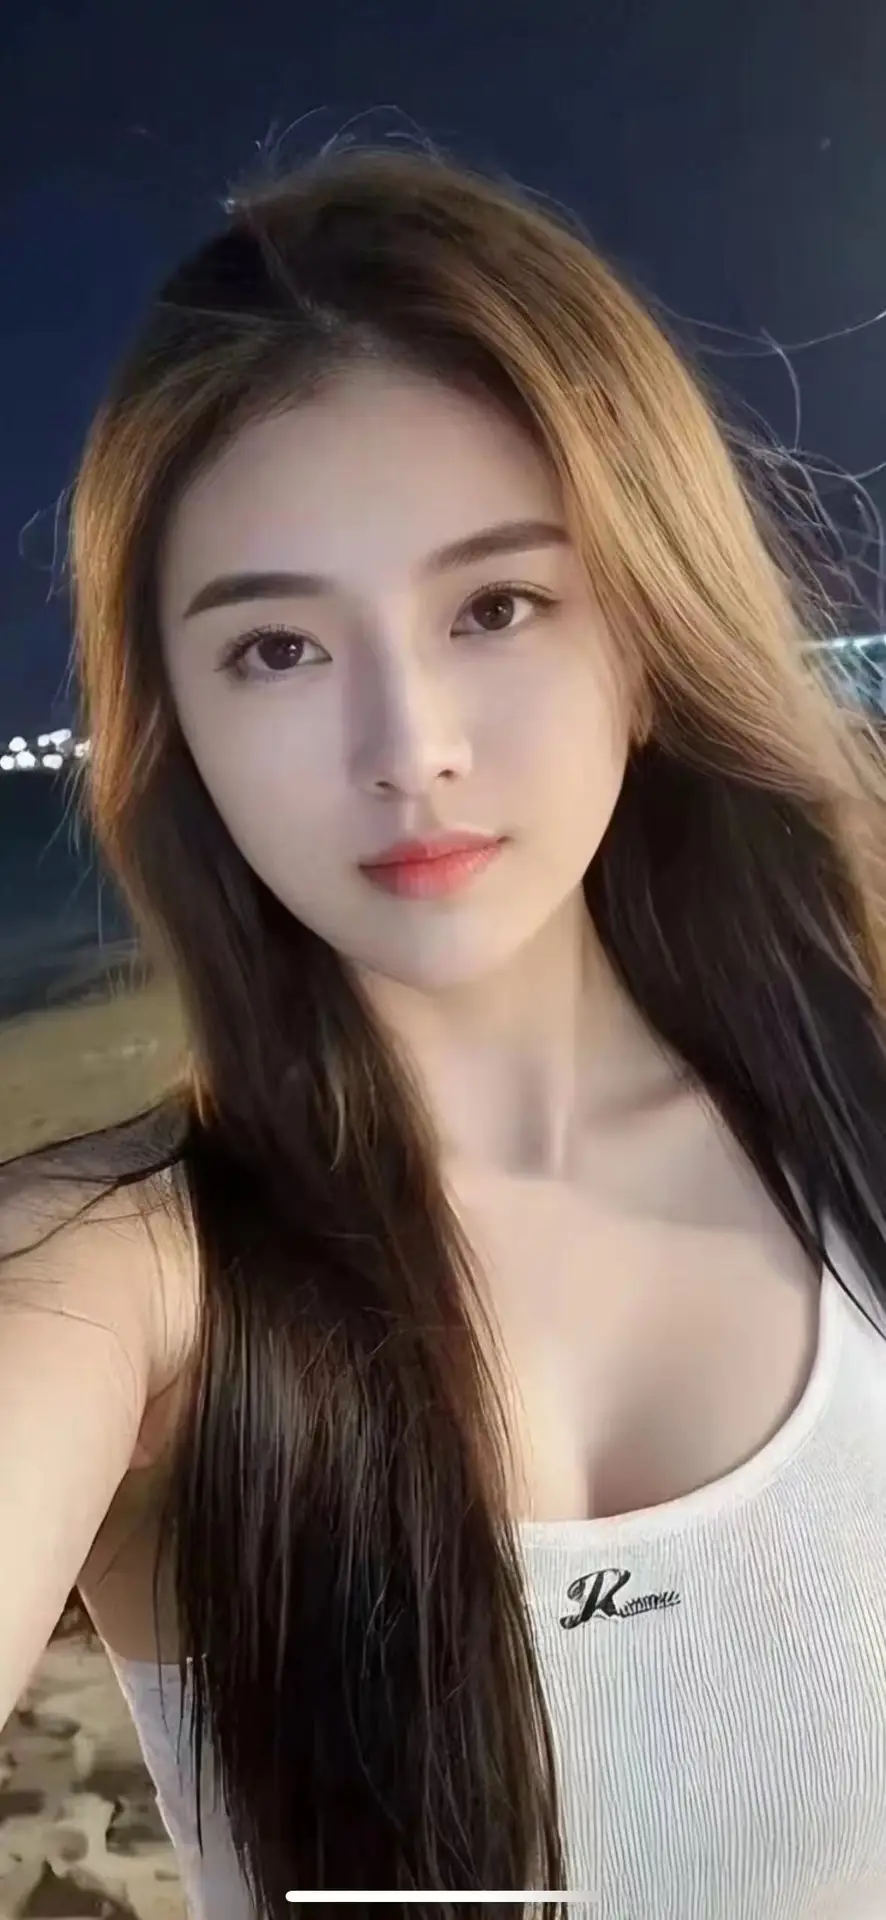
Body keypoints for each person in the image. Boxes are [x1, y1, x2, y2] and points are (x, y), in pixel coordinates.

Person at [2, 145, 886, 1920]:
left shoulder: (852, 1107)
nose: (408, 747)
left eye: (494, 606)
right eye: (277, 650)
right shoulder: (121, 1283)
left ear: (644, 634)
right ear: (175, 724)